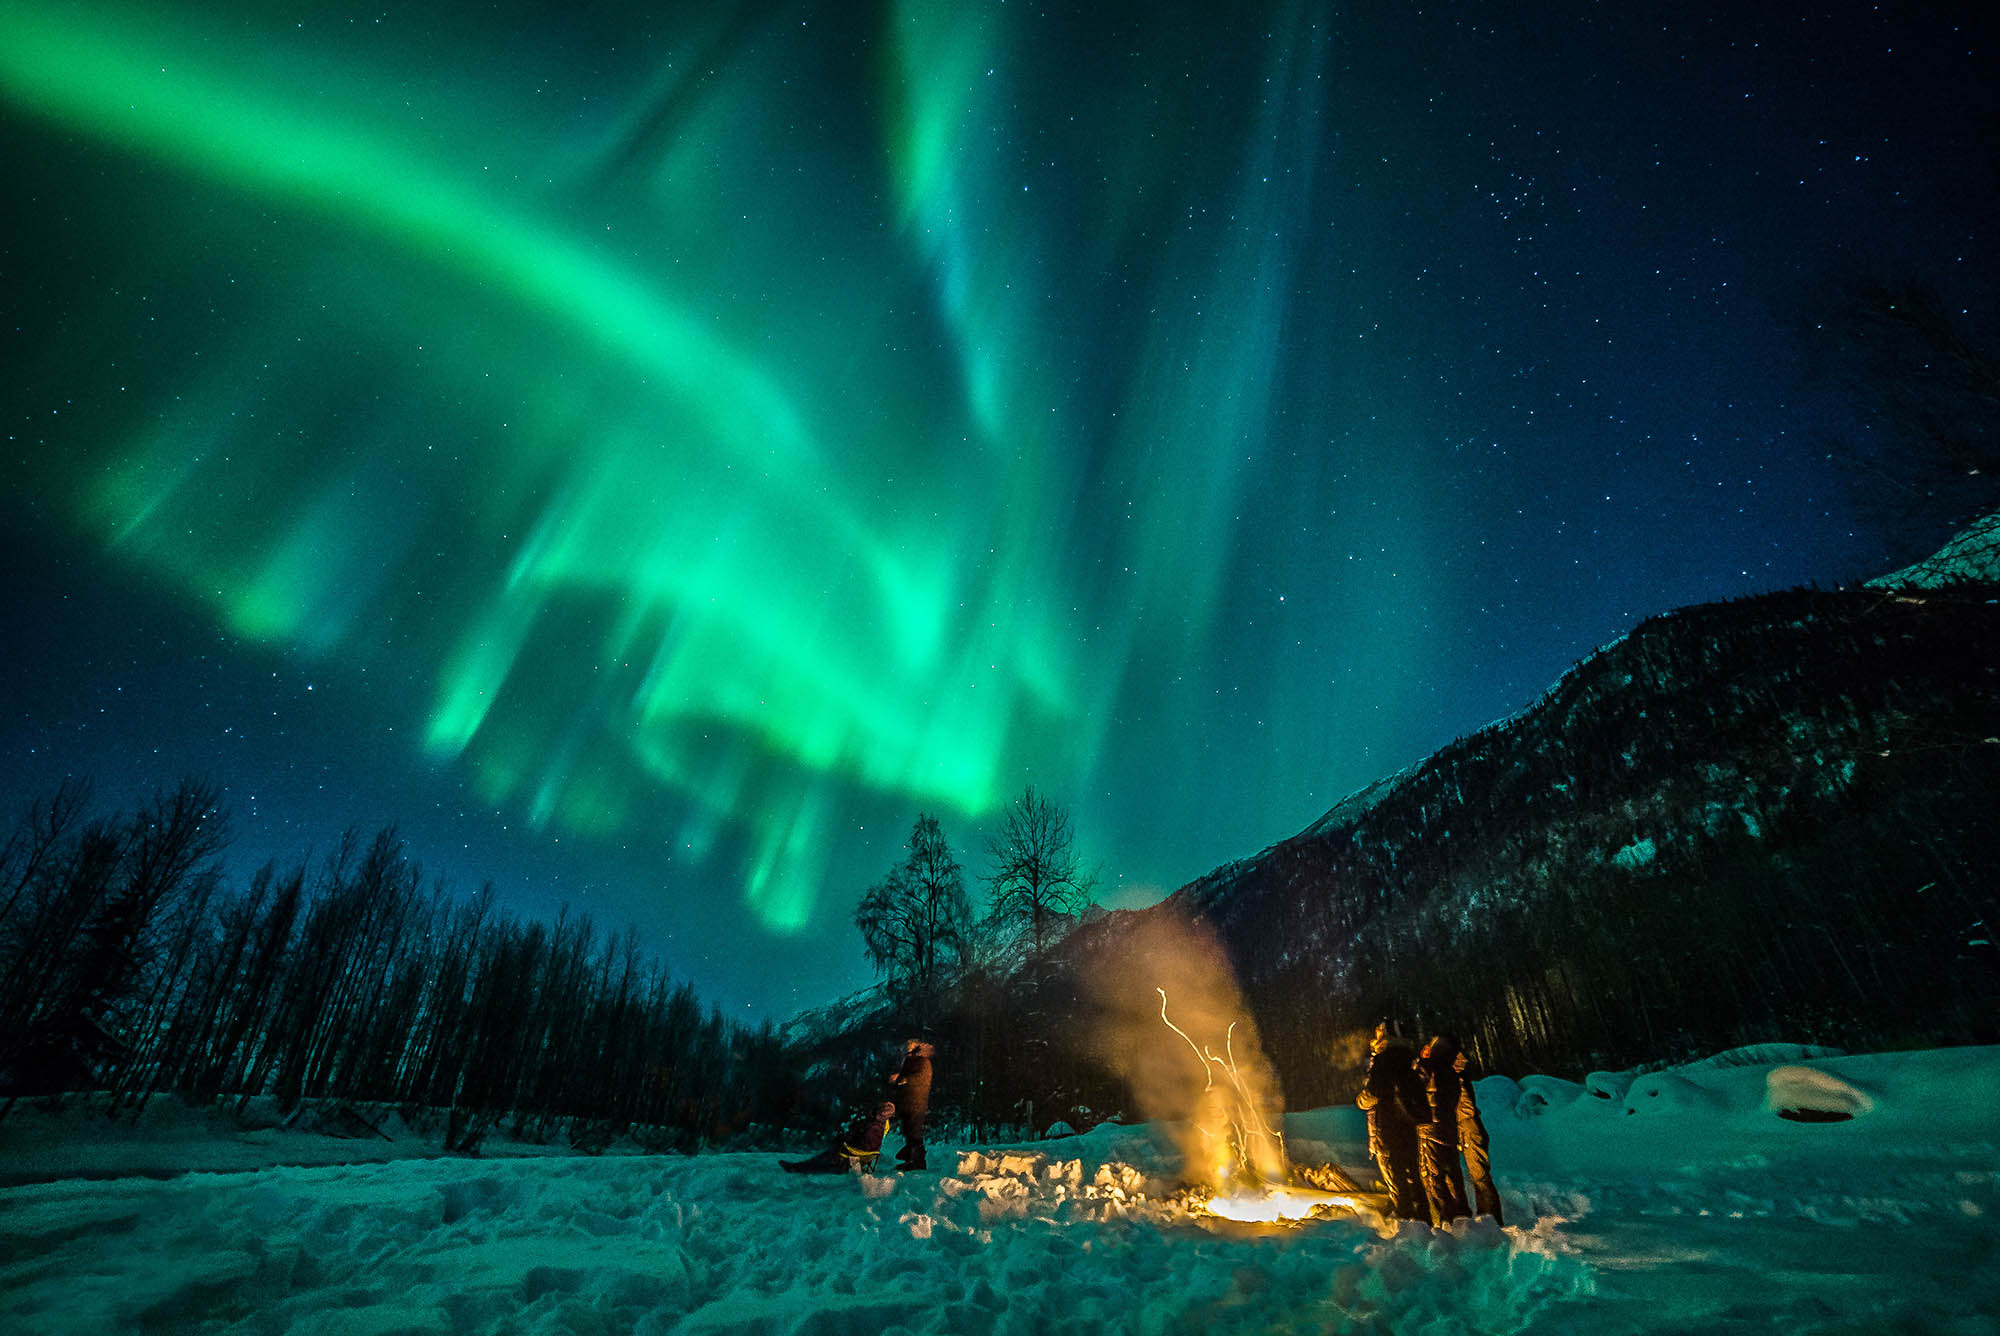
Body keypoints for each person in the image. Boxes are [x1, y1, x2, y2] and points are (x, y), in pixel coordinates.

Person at [1354, 1022, 1431, 1222]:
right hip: (1408, 1125)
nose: (1375, 1036)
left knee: (1396, 1175)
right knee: (1413, 1173)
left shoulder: (1384, 1061)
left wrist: (1364, 1097)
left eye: (1379, 1032)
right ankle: (1424, 1219)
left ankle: (1406, 1220)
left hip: (1389, 1125)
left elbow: (1373, 1092)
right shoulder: (1407, 1060)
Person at [1417, 1034, 1471, 1226]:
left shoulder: (1428, 1068)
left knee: (1435, 1178)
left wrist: (1421, 1062)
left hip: (1430, 1131)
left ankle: (1448, 1223)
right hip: (1448, 1131)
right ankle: (1464, 1219)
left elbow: (1414, 1090)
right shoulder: (1451, 1072)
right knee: (1453, 1177)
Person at [1454, 1047, 1504, 1223]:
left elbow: (1466, 1109)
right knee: (1479, 1178)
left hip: (1471, 1134)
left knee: (1480, 1178)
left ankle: (1492, 1220)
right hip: (1470, 1132)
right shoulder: (1460, 1079)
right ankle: (1487, 1219)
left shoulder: (1458, 1080)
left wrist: (1458, 1125)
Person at [779, 1101, 895, 1174]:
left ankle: (796, 1168)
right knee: (830, 1152)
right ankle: (800, 1166)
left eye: (879, 1114)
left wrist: (843, 1141)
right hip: (869, 1156)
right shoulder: (885, 1125)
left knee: (824, 1158)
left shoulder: (870, 1126)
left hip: (852, 1155)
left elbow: (859, 1141)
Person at [888, 1038, 934, 1170]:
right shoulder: (910, 1061)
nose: (906, 1050)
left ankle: (918, 1161)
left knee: (914, 1131)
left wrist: (904, 1079)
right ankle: (911, 1159)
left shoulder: (923, 1062)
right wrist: (899, 1078)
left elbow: (921, 1077)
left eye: (909, 1047)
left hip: (916, 1102)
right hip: (907, 1101)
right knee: (909, 1130)